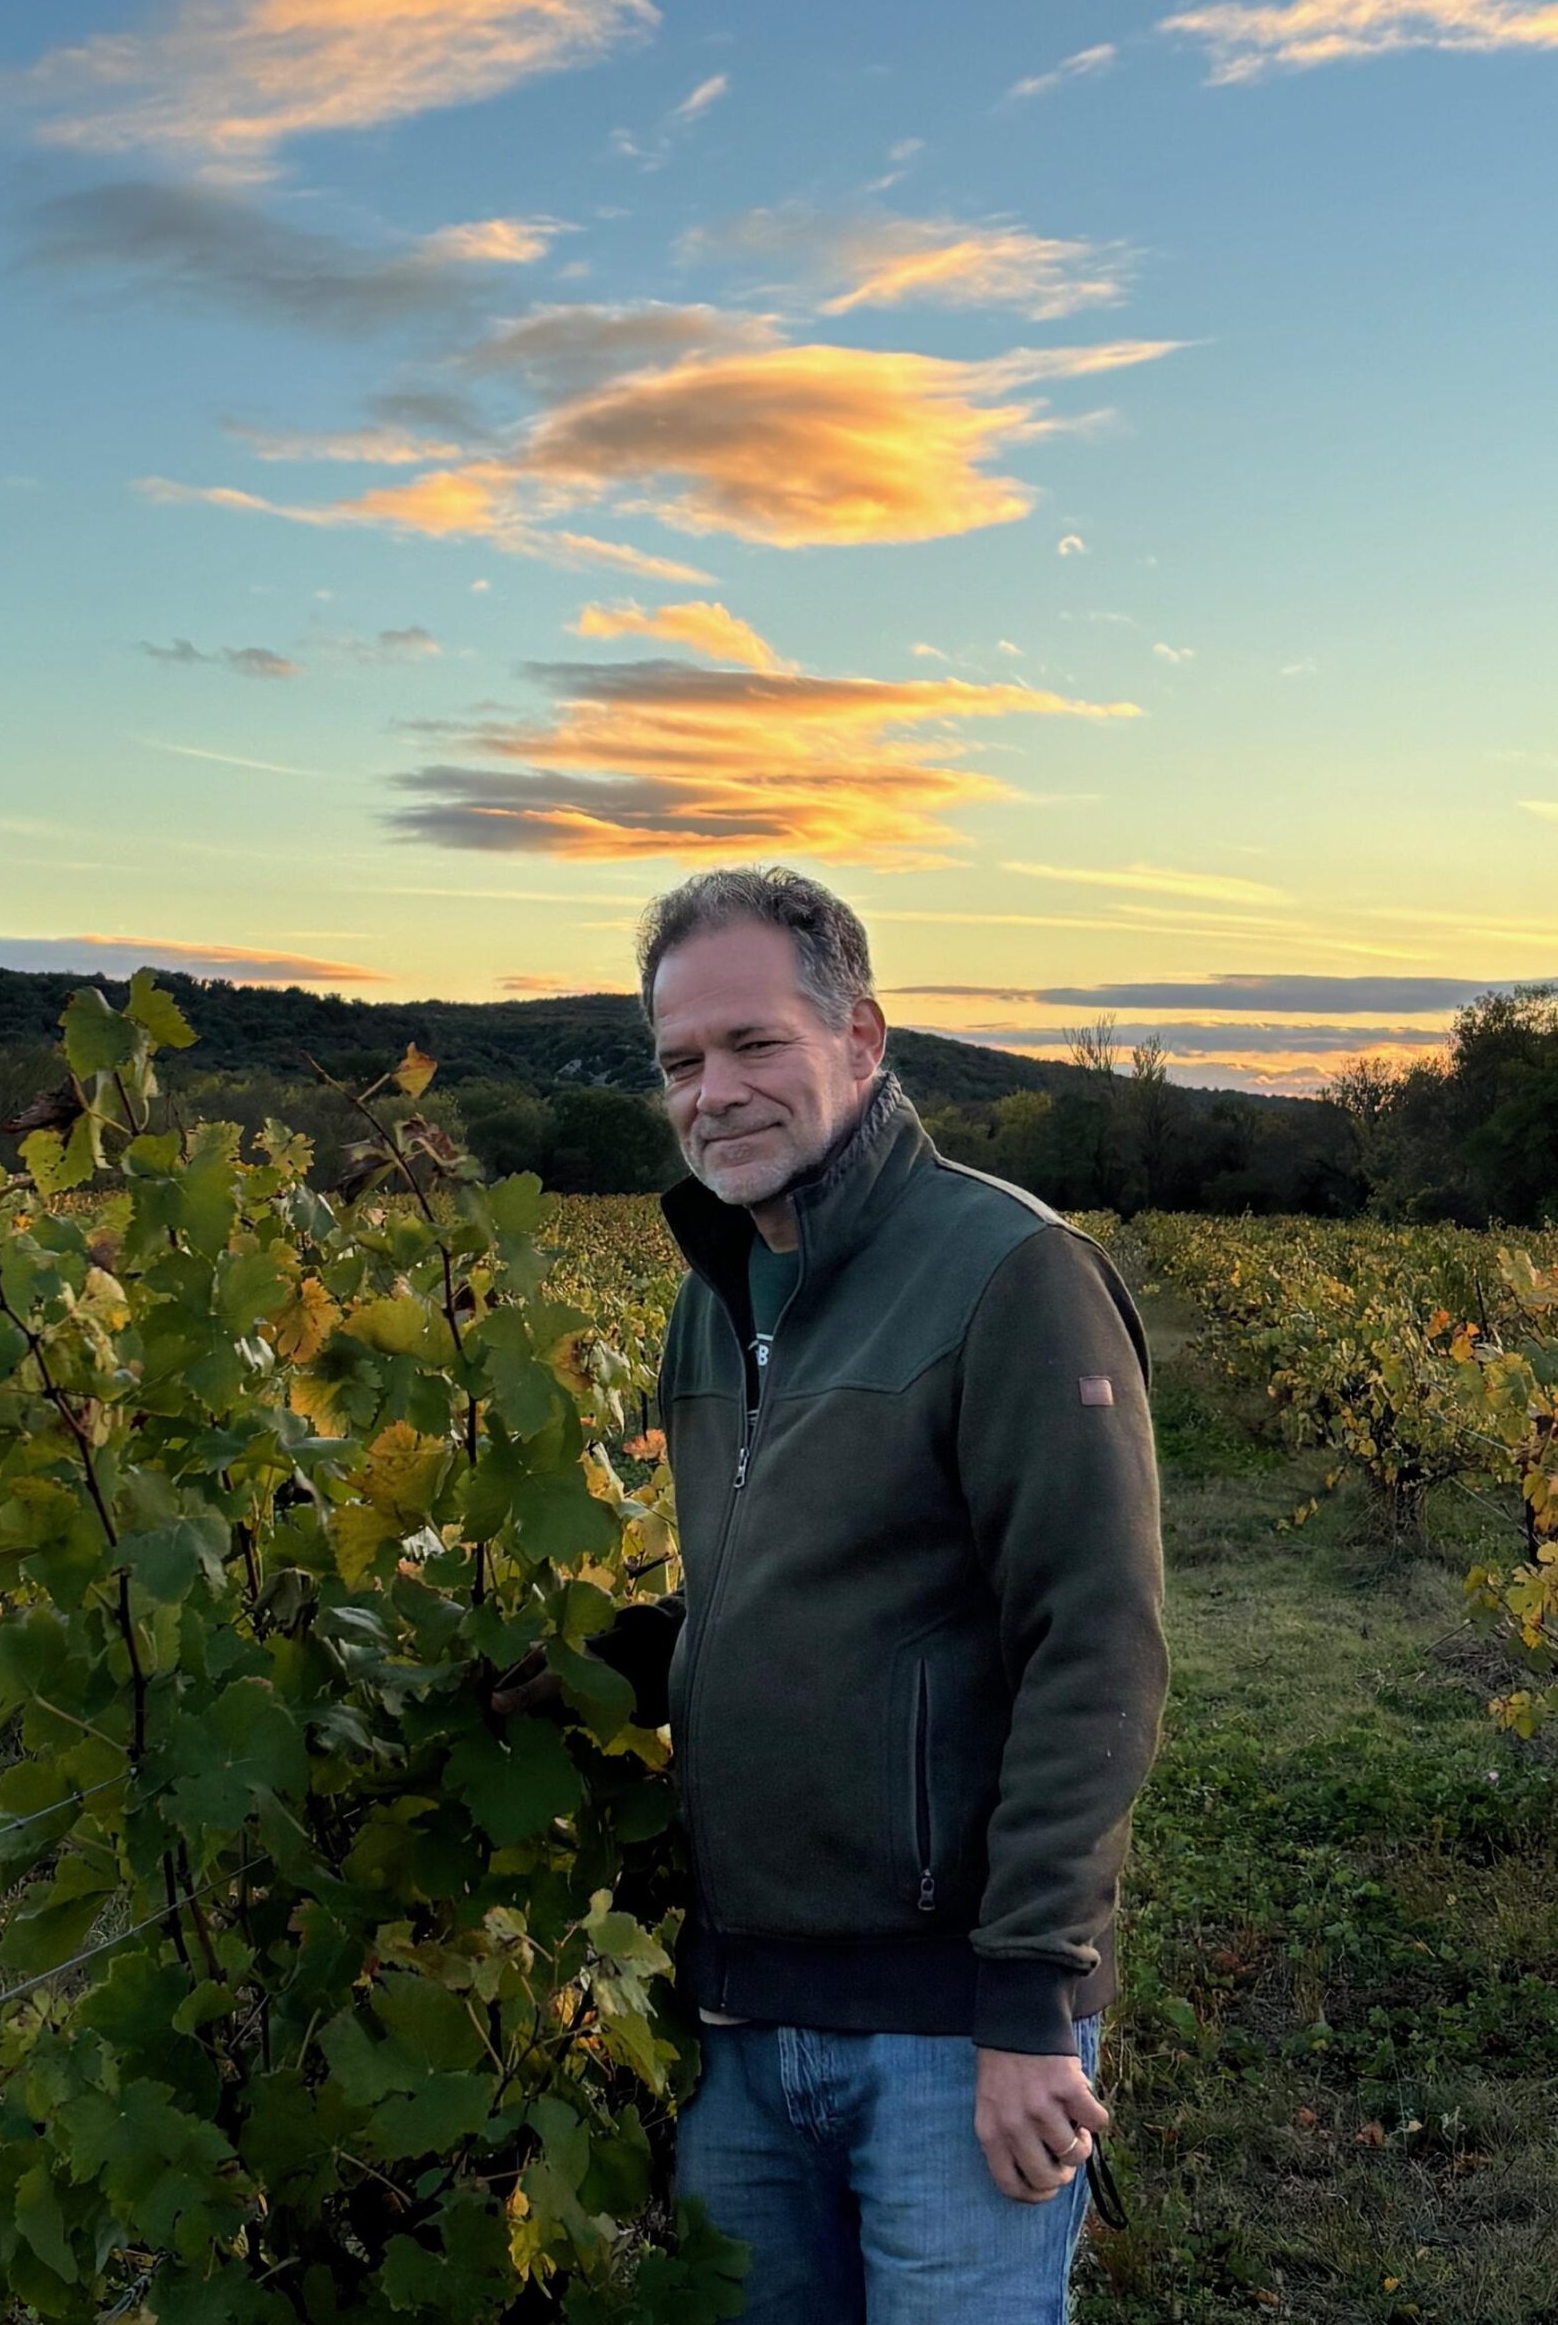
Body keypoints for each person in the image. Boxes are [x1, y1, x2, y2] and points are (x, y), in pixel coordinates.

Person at [494, 864, 1170, 2323]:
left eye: (754, 1044)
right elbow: (800, 1577)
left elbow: (1093, 1648)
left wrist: (1029, 2001)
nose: (713, 1093)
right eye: (681, 1062)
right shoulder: (714, 1294)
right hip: (742, 2011)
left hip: (948, 2026)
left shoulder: (1010, 1271)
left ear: (860, 1039)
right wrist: (636, 1655)